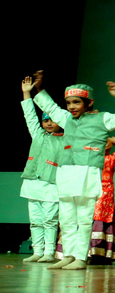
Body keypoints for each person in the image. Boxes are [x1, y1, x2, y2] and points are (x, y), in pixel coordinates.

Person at [32, 71, 115, 271]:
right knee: (66, 217)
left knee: (85, 217)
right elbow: (49, 106)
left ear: (89, 103)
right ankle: (68, 255)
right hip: (66, 171)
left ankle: (80, 257)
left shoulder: (103, 119)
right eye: (69, 103)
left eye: (76, 102)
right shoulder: (66, 118)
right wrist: (38, 88)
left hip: (87, 172)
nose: (71, 107)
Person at [20, 77, 63, 263]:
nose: (49, 123)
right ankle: (37, 251)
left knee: (50, 221)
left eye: (53, 120)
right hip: (32, 183)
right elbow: (30, 116)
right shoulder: (38, 134)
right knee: (35, 221)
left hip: (51, 184)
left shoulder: (65, 139)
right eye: (45, 120)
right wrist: (26, 93)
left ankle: (49, 252)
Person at [89, 137, 115, 265]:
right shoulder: (90, 159)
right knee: (90, 221)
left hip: (104, 196)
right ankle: (92, 253)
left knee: (100, 221)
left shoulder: (108, 159)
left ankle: (98, 253)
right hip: (91, 193)